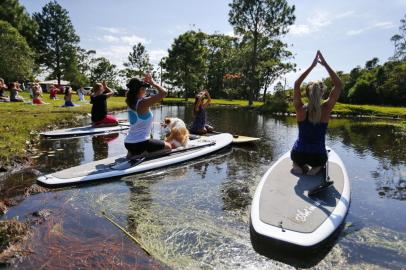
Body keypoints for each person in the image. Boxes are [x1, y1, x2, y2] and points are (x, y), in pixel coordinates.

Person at [291, 51, 342, 176]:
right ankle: (316, 168)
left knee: (296, 160)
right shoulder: (326, 108)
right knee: (318, 161)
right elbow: (338, 85)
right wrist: (324, 64)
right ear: (322, 94)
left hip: (298, 154)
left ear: (307, 94)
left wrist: (312, 66)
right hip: (317, 156)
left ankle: (297, 166)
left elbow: (297, 84)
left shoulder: (300, 108)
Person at [124, 74, 171, 159]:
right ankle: (144, 155)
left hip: (128, 143)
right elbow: (164, 93)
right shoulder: (143, 103)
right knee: (168, 147)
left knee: (156, 143)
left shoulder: (131, 101)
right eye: (144, 88)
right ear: (140, 90)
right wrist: (153, 82)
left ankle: (132, 153)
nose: (145, 90)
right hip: (140, 143)